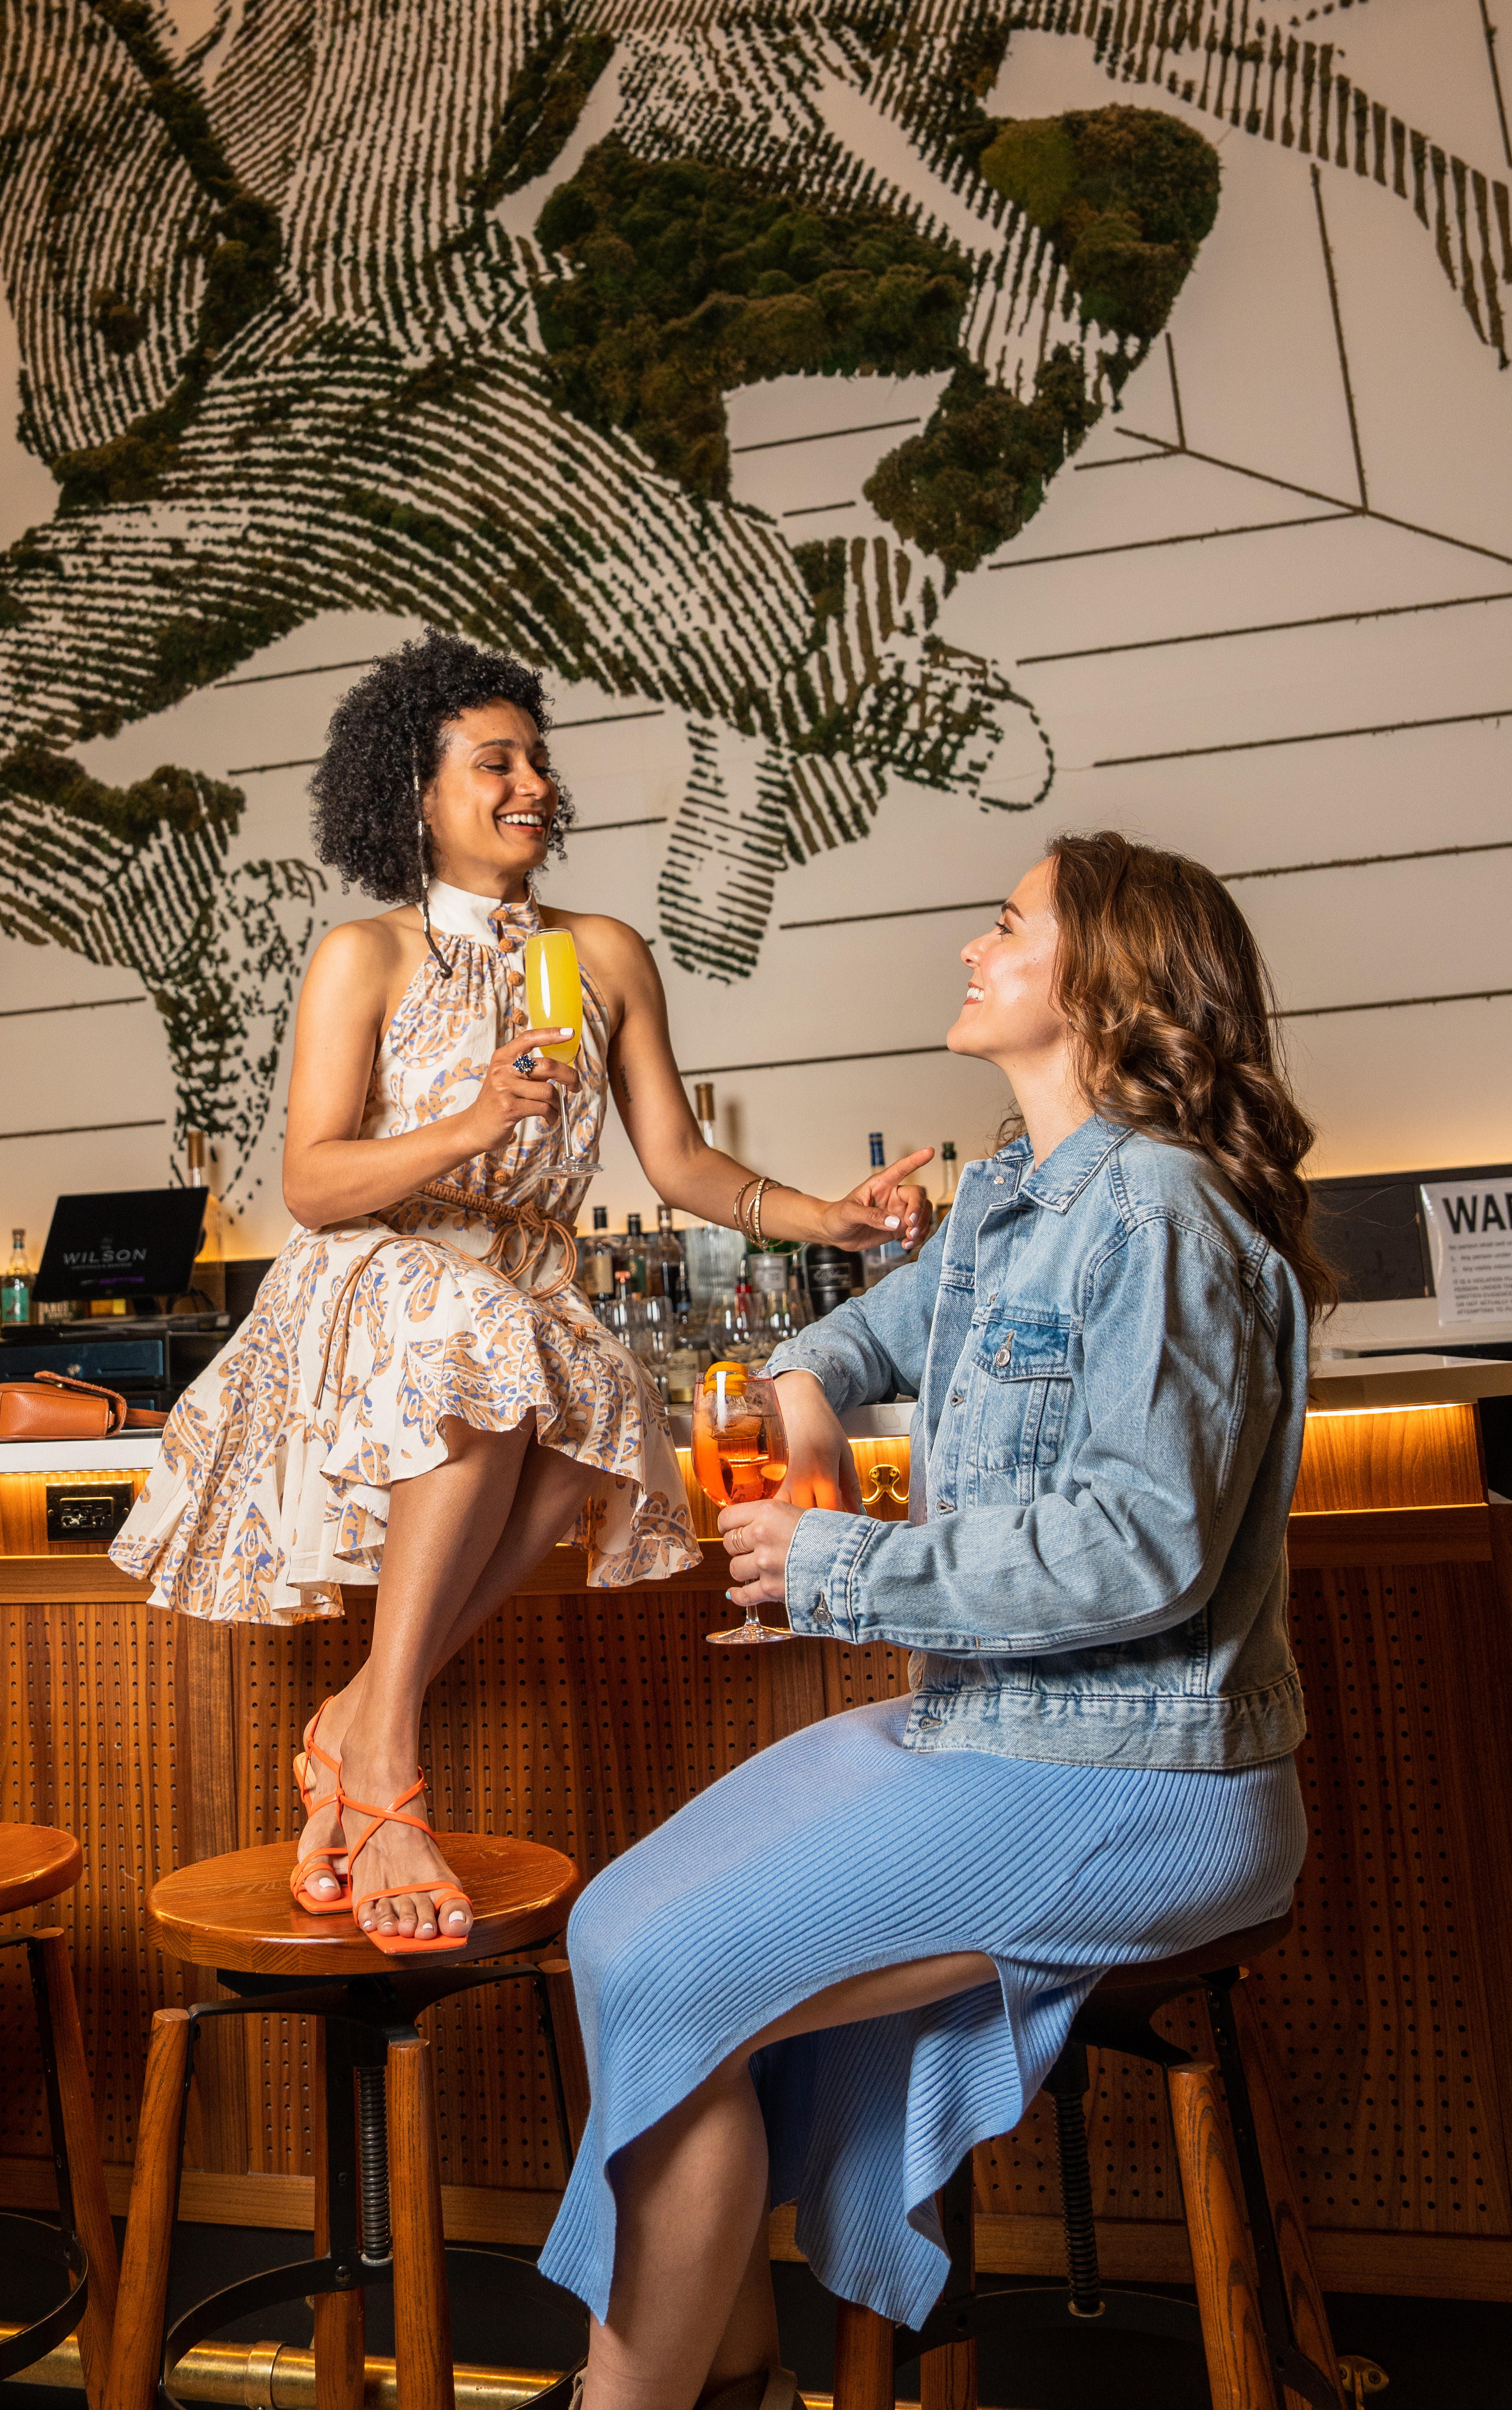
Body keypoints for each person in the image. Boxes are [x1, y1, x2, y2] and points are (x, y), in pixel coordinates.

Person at [530, 829, 1335, 2410]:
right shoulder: (1004, 1208)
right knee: (619, 1927)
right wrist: (809, 1390)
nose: (972, 950)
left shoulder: (1165, 1215)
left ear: (1102, 986)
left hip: (1142, 1775)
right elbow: (844, 1339)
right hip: (986, 1728)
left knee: (675, 1973)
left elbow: (1145, 1549)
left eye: (1006, 927)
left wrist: (840, 1564)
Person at [110, 629, 932, 1950]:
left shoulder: (604, 954)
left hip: (524, 1298)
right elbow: (314, 1186)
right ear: (416, 798)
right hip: (382, 1277)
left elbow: (677, 1163)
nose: (532, 783)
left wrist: (827, 1213)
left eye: (539, 760)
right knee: (493, 1340)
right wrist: (473, 1120)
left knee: (598, 1389)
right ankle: (385, 1765)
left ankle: (365, 1712)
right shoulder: (362, 958)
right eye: (495, 762)